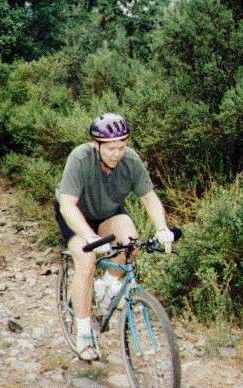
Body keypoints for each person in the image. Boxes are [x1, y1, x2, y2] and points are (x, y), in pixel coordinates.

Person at [54, 113, 174, 361]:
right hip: (77, 215)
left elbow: (149, 198)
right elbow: (67, 205)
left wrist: (162, 229)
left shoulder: (130, 161)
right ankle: (84, 334)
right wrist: (88, 236)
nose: (116, 153)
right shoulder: (80, 158)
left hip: (108, 212)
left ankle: (106, 286)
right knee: (86, 262)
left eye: (121, 146)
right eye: (110, 148)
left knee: (131, 242)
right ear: (96, 145)